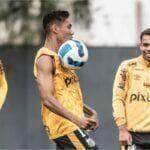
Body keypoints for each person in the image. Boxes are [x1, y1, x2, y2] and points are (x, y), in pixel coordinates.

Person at [33, 10, 99, 149]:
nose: (72, 32)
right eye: (69, 27)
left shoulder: (61, 59)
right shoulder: (45, 59)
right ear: (55, 29)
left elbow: (65, 96)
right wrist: (77, 120)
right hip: (64, 126)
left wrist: (90, 112)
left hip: (71, 124)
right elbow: (48, 99)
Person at [112, 28, 150, 150]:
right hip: (134, 136)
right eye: (145, 45)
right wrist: (122, 129)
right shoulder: (127, 67)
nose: (149, 48)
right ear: (140, 46)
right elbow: (118, 99)